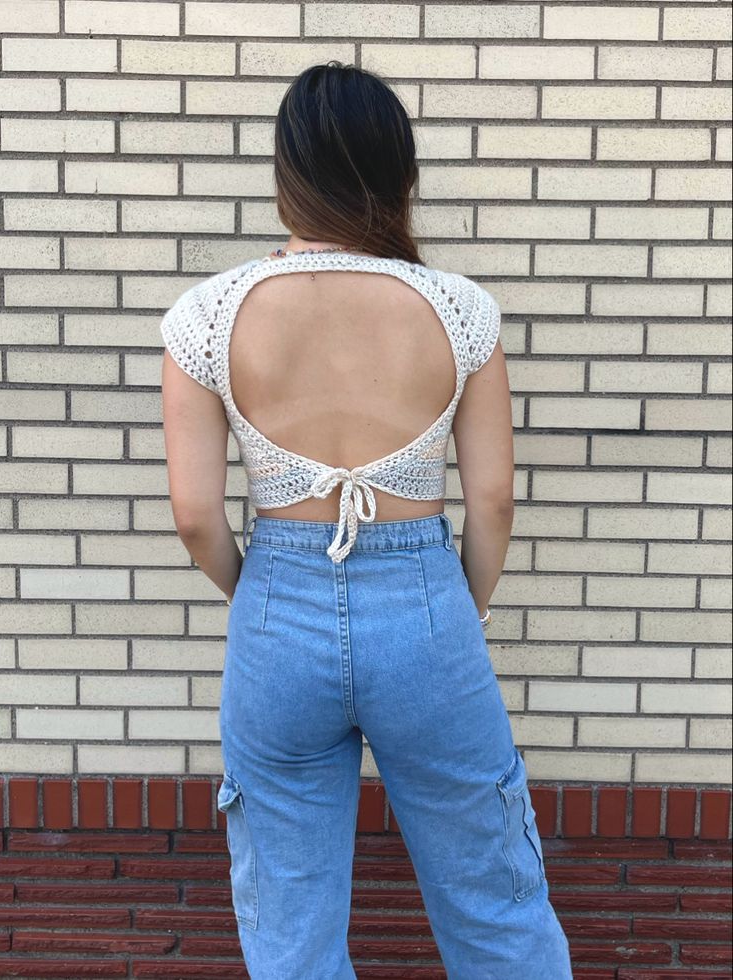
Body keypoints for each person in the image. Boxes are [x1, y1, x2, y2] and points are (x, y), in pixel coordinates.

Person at [160, 61, 572, 980]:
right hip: (425, 610)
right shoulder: (461, 310)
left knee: (292, 924)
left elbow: (195, 516)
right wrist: (447, 607)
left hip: (277, 617)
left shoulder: (204, 318)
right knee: (493, 896)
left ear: (285, 176)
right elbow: (494, 502)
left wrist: (260, 587)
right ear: (400, 175)